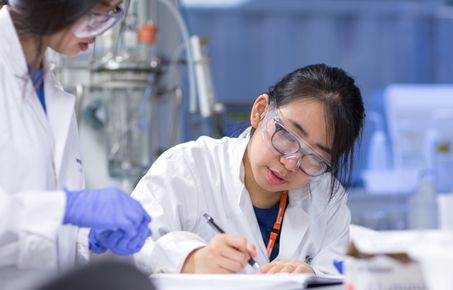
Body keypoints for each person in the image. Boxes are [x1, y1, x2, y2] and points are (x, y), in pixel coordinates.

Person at [131, 64, 365, 276]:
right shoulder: (186, 167)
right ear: (260, 111)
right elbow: (127, 247)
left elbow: (343, 275)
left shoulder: (327, 200)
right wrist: (189, 260)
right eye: (286, 135)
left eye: (314, 158)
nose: (291, 162)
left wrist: (313, 276)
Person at [0, 0, 151, 289]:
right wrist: (67, 208)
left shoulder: (50, 88)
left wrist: (87, 236)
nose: (103, 29)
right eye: (99, 10)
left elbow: (41, 234)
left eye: (113, 13)